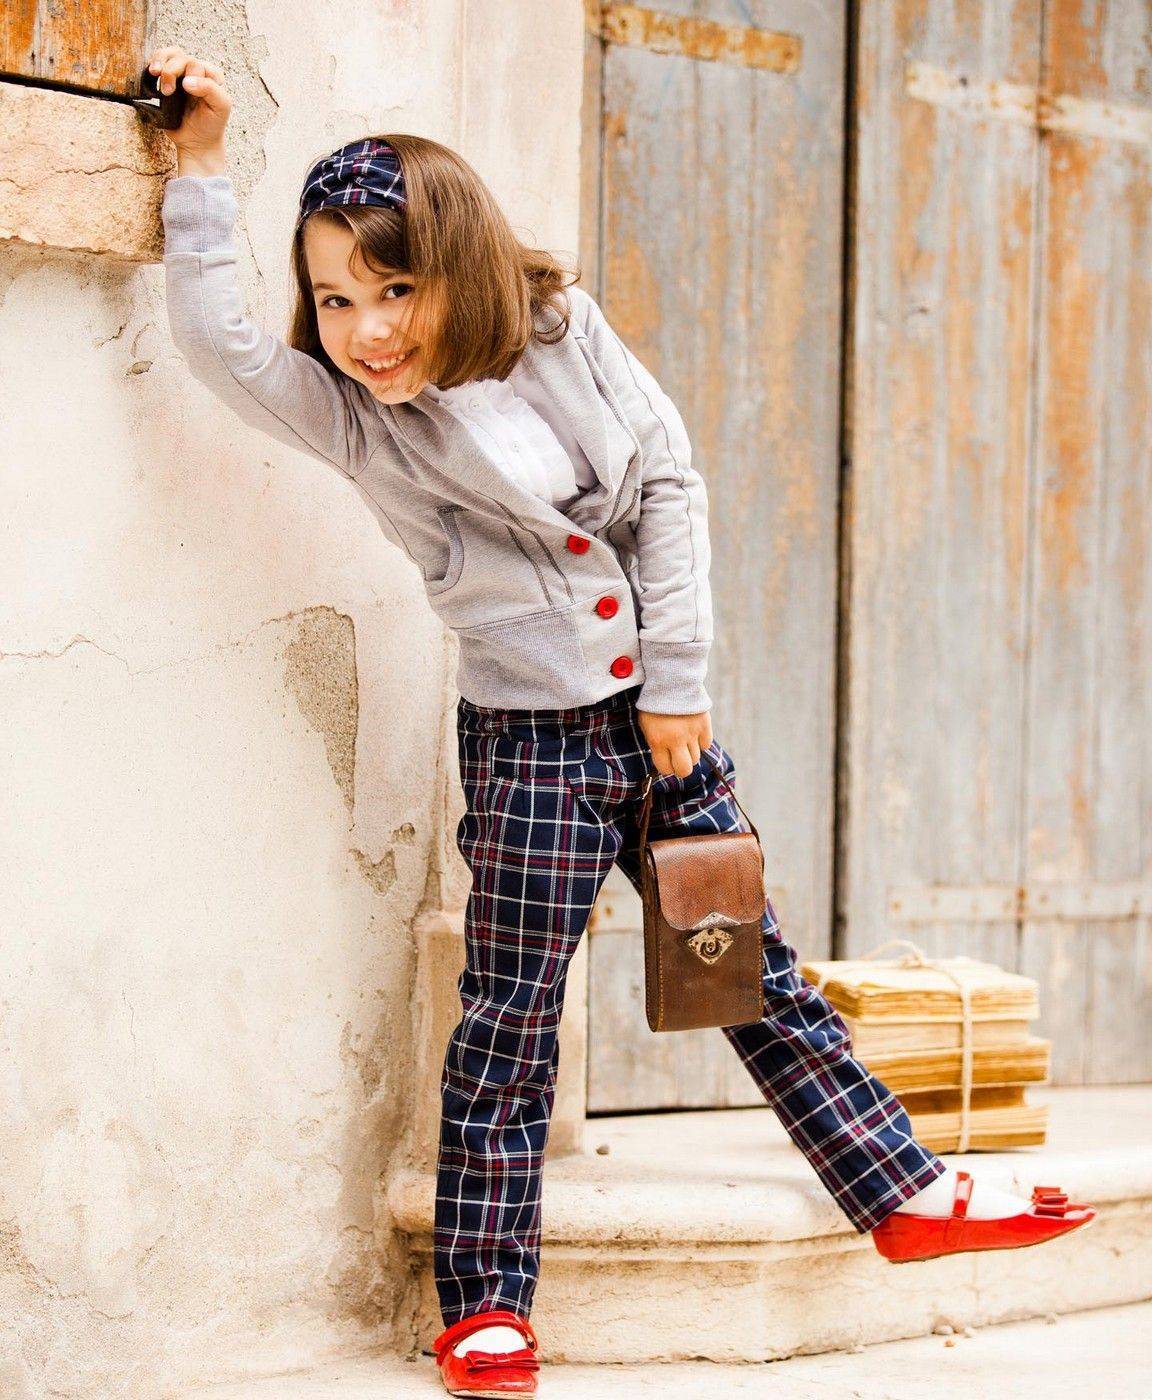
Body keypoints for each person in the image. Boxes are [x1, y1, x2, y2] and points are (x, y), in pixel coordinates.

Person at [148, 44, 1096, 1399]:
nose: (367, 328)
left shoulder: (557, 329)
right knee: (510, 1017)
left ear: (462, 268)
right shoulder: (360, 420)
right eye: (337, 297)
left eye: (396, 288)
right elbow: (221, 348)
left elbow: (666, 483)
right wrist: (197, 163)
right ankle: (486, 1306)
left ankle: (899, 1190)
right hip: (531, 743)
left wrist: (679, 680)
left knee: (750, 963)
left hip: (660, 722)